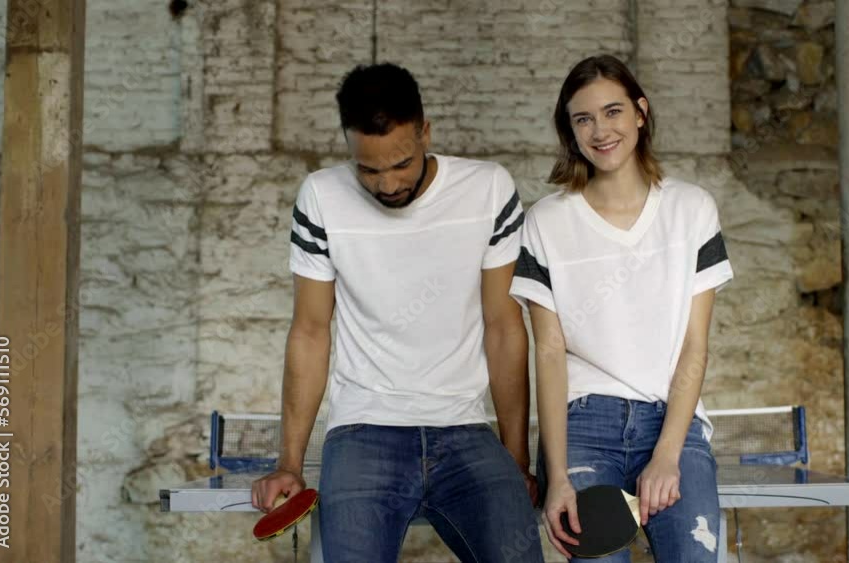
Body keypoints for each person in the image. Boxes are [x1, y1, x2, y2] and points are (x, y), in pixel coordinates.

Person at [251, 62, 544, 563]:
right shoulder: (321, 198)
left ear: (425, 132)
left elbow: (504, 327)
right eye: (368, 169)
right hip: (363, 430)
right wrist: (290, 462)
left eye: (401, 164)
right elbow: (310, 331)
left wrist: (515, 457)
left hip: (466, 433)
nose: (387, 185)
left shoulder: (489, 190)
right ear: (348, 145)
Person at [510, 54, 733, 562]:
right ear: (570, 132)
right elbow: (548, 352)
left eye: (612, 112)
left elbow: (694, 345)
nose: (600, 130)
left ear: (640, 113)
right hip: (583, 425)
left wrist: (669, 454)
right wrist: (558, 476)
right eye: (583, 119)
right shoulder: (545, 221)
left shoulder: (692, 210)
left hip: (672, 422)